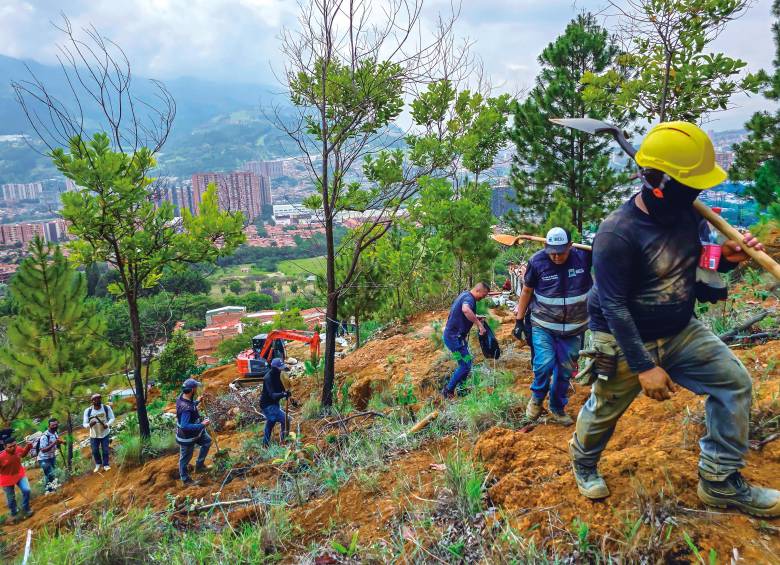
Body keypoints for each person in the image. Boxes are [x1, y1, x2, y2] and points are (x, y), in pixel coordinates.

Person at [569, 121, 780, 517]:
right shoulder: (618, 233)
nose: (695, 195)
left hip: (680, 329)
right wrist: (644, 366)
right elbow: (613, 305)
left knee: (733, 383)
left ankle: (719, 481)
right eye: (689, 187)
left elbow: (699, 282)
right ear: (656, 182)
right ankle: (583, 460)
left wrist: (729, 260)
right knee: (603, 409)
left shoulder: (691, 217)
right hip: (621, 336)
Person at [514, 227, 592, 426]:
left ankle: (557, 407)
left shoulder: (584, 257)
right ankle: (537, 398)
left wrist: (604, 247)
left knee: (565, 371)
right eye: (552, 252)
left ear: (570, 246)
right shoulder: (537, 261)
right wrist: (519, 320)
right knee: (544, 363)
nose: (556, 256)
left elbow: (611, 259)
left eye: (561, 252)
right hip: (544, 325)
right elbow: (527, 291)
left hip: (574, 328)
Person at [441, 282, 491, 398]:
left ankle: (462, 389)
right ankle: (448, 390)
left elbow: (463, 312)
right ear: (478, 291)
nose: (482, 298)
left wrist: (476, 316)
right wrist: (479, 324)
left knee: (465, 363)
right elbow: (465, 310)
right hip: (454, 339)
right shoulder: (469, 298)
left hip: (454, 338)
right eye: (483, 295)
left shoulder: (465, 295)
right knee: (465, 365)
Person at [176, 378, 212, 485]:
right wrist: (202, 424)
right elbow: (184, 426)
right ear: (192, 390)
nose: (197, 389)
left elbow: (190, 405)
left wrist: (197, 402)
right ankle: (185, 479)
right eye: (195, 388)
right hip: (187, 437)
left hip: (196, 432)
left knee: (207, 442)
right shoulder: (186, 408)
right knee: (185, 458)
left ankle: (199, 466)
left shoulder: (182, 397)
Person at [0, 435, 33, 522]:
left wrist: (28, 446)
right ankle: (14, 513)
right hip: (6, 479)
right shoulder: (1, 457)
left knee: (27, 490)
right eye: (10, 447)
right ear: (5, 447)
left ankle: (26, 508)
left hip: (19, 474)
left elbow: (23, 454)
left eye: (14, 445)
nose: (13, 448)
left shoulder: (17, 449)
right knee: (11, 499)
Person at [260, 357, 292, 447]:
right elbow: (273, 395)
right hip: (267, 405)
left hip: (274, 403)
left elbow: (284, 387)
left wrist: (288, 394)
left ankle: (265, 444)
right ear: (274, 368)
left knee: (271, 422)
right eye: (279, 367)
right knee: (286, 419)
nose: (281, 369)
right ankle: (284, 442)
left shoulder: (280, 375)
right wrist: (284, 394)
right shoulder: (268, 378)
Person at [83, 393, 115, 473]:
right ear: (92, 401)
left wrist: (107, 424)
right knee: (95, 450)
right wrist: (89, 425)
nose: (97, 400)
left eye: (99, 398)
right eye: (95, 399)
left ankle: (106, 465)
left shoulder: (106, 408)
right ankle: (98, 463)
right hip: (94, 435)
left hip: (105, 433)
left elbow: (112, 418)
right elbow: (84, 424)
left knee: (105, 450)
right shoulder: (88, 411)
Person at [37, 418, 63, 493]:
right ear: (49, 426)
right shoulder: (44, 436)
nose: (55, 426)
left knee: (50, 474)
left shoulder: (55, 433)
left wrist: (60, 442)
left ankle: (48, 489)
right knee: (50, 473)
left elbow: (56, 442)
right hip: (43, 458)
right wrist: (55, 443)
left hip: (52, 457)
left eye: (56, 424)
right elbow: (43, 449)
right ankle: (51, 490)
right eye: (53, 425)